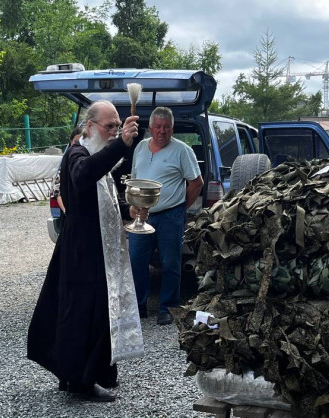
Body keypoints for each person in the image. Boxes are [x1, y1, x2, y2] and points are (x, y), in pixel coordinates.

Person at [27, 101, 143, 402]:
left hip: (95, 248)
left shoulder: (92, 150)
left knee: (97, 311)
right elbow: (83, 176)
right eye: (109, 127)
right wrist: (121, 144)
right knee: (83, 314)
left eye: (117, 126)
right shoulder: (78, 153)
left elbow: (100, 192)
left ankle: (90, 373)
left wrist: (127, 207)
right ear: (89, 126)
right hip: (83, 250)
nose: (114, 131)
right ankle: (80, 381)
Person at [128, 106, 203, 325]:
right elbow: (134, 179)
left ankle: (167, 308)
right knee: (136, 261)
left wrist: (181, 208)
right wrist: (133, 207)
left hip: (171, 216)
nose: (162, 131)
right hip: (142, 216)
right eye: (158, 127)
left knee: (170, 263)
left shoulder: (182, 150)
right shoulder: (140, 147)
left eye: (167, 127)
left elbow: (196, 183)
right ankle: (139, 306)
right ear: (150, 128)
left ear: (172, 128)